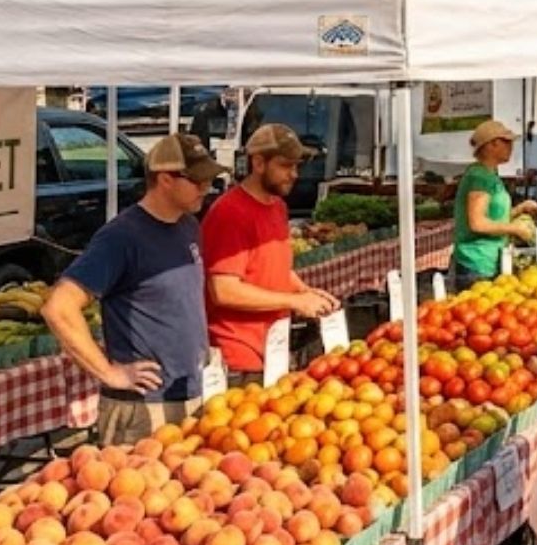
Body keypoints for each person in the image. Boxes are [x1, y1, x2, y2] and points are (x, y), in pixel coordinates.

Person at [44, 134, 219, 446]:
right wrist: (110, 373)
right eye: (197, 181)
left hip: (193, 392)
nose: (207, 188)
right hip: (144, 409)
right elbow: (59, 307)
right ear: (165, 179)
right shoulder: (120, 237)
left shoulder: (188, 226)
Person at [202, 124, 340, 388]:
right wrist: (295, 301)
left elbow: (275, 268)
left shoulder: (277, 206)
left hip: (271, 349)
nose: (294, 174)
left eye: (296, 166)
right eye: (286, 166)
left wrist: (306, 292)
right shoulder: (230, 213)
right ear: (258, 163)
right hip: (238, 358)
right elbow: (223, 290)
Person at [454, 120, 537, 293]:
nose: (511, 146)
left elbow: (492, 217)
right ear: (491, 145)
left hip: (486, 261)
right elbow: (477, 223)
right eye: (506, 141)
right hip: (477, 264)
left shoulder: (489, 174)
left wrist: (519, 210)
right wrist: (514, 229)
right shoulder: (480, 177)